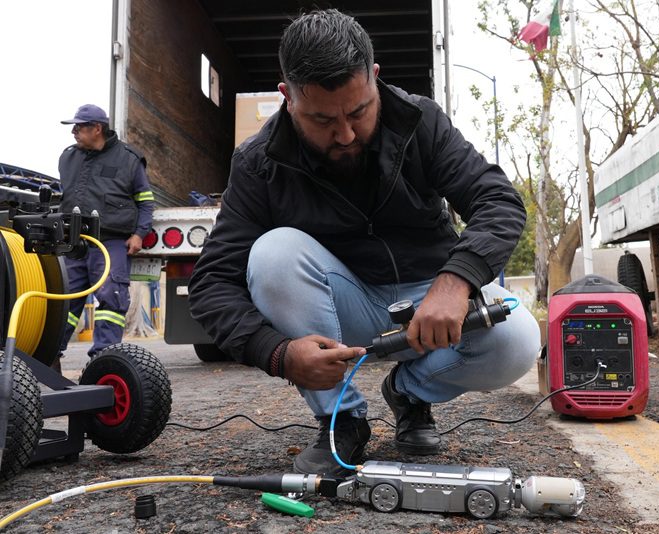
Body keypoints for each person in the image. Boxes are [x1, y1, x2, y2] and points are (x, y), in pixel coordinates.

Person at [188, 9, 540, 476]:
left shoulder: (422, 122)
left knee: (517, 338)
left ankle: (410, 393)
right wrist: (279, 353)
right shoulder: (258, 163)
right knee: (274, 253)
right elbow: (213, 281)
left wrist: (457, 282)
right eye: (322, 120)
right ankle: (341, 418)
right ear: (287, 98)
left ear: (374, 78)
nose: (346, 134)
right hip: (340, 305)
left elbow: (497, 200)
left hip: (429, 297)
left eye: (358, 111)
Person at [58, 104, 155, 358]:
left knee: (111, 299)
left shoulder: (128, 159)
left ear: (97, 129)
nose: (74, 132)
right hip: (75, 243)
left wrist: (139, 234)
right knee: (64, 300)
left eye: (79, 127)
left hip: (111, 241)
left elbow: (145, 200)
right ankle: (51, 354)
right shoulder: (68, 157)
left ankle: (103, 358)